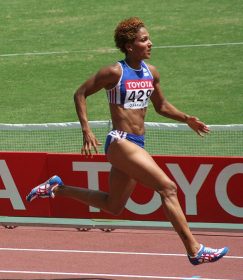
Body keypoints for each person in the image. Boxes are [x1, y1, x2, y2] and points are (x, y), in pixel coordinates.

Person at [26, 17, 228, 265]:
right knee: (168, 188)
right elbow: (80, 93)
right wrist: (86, 130)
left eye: (149, 38)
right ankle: (195, 250)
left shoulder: (150, 73)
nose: (150, 43)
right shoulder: (114, 72)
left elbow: (161, 106)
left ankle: (57, 187)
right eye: (144, 40)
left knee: (113, 205)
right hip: (120, 142)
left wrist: (187, 118)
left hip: (137, 143)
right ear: (129, 46)